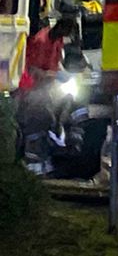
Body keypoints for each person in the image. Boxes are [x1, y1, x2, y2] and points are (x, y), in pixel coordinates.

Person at [14, 14, 78, 175]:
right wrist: (53, 75)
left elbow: (56, 62)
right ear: (62, 28)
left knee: (56, 115)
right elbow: (32, 68)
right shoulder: (41, 40)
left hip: (46, 87)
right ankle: (34, 160)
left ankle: (48, 153)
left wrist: (62, 73)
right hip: (32, 87)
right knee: (39, 122)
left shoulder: (57, 40)